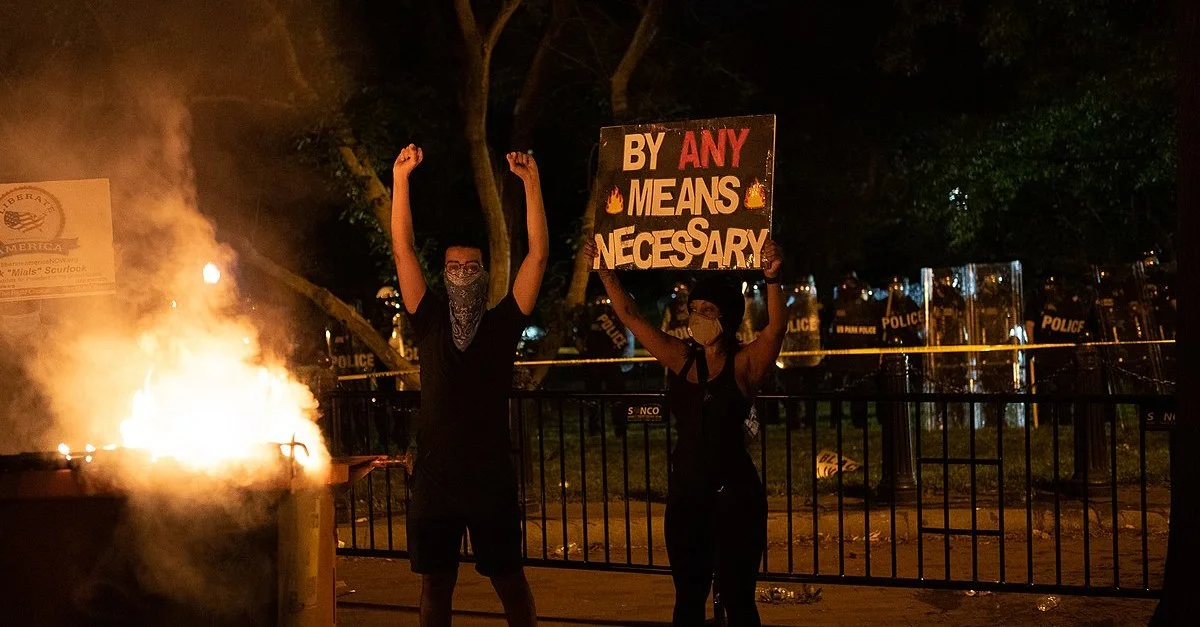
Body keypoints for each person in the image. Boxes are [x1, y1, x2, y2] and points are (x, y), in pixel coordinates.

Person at [585, 237, 786, 627]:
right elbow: (631, 316)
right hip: (687, 497)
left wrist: (773, 279)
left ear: (726, 316)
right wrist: (606, 272)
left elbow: (776, 329)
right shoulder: (680, 356)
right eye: (694, 309)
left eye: (707, 310)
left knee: (739, 599)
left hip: (735, 499)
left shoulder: (744, 364)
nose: (697, 317)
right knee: (687, 600)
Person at [391, 143, 546, 627]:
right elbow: (403, 249)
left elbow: (537, 256)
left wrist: (531, 185)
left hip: (488, 479)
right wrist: (400, 182)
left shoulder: (501, 326)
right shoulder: (429, 320)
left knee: (509, 582)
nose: (460, 276)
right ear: (443, 274)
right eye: (452, 269)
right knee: (435, 585)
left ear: (484, 275)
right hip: (436, 479)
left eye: (470, 269)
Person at [577, 288, 633, 435]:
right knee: (593, 398)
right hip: (593, 363)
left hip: (611, 362)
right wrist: (584, 353)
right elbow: (579, 338)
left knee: (617, 397)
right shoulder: (587, 317)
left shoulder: (615, 316)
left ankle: (619, 427)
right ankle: (595, 427)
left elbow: (623, 338)